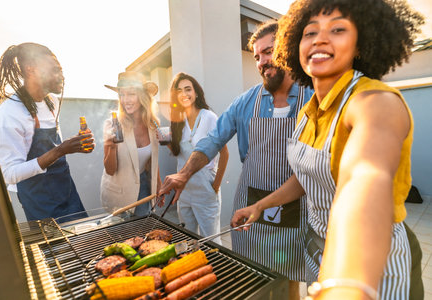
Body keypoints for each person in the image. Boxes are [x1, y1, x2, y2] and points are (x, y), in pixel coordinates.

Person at [231, 0, 424, 299]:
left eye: (337, 29)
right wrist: (262, 205)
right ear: (294, 45)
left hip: (370, 269)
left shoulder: (375, 102)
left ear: (360, 44)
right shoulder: (310, 111)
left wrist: (343, 286)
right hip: (319, 254)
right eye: (310, 32)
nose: (320, 39)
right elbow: (308, 175)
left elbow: (365, 180)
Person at [159, 21, 314, 298]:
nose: (262, 61)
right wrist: (184, 173)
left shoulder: (312, 97)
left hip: (297, 204)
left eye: (269, 51)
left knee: (290, 277)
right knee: (252, 274)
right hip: (251, 203)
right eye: (257, 56)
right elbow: (213, 140)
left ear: (288, 48)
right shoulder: (245, 102)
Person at [0, 42, 94, 222]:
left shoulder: (52, 102)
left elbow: (54, 147)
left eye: (61, 70)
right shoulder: (9, 113)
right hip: (39, 201)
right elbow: (9, 174)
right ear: (31, 70)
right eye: (55, 70)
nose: (61, 76)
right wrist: (60, 150)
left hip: (67, 191)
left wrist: (77, 144)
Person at [165, 72, 228, 244]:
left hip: (205, 188)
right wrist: (166, 142)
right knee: (187, 238)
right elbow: (181, 154)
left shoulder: (208, 117)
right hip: (183, 190)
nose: (184, 94)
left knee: (211, 241)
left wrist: (216, 185)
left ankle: (217, 269)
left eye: (188, 89)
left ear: (196, 92)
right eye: (179, 91)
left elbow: (224, 153)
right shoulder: (178, 121)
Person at [101, 71, 163, 217]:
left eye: (131, 94)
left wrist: (158, 187)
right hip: (118, 194)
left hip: (144, 189)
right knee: (120, 238)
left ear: (143, 97)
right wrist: (110, 146)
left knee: (142, 234)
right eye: (122, 94)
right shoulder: (112, 125)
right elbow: (110, 170)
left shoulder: (153, 125)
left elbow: (151, 161)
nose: (125, 100)